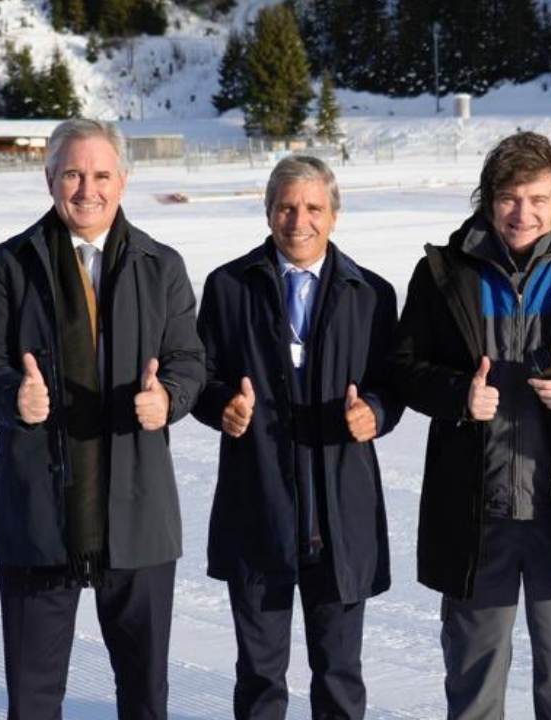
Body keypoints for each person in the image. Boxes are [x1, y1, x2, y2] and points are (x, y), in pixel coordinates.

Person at [390, 131, 551, 720]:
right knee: (476, 675)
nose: (522, 212)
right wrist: (460, 395)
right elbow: (404, 367)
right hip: (478, 514)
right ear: (488, 199)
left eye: (536, 198)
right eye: (508, 197)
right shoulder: (443, 272)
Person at [0, 118, 205, 718]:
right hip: (38, 515)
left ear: (123, 180)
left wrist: (168, 398)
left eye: (100, 174)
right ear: (49, 179)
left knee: (145, 694)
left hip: (138, 511)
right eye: (72, 173)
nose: (86, 189)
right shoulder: (9, 264)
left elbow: (189, 360)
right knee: (35, 696)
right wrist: (13, 395)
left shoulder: (161, 265)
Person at [192, 155, 403, 720]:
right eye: (285, 207)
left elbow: (393, 383)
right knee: (260, 677)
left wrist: (376, 413)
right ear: (267, 213)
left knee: (338, 674)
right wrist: (222, 408)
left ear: (335, 215)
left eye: (313, 207)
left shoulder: (373, 294)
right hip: (257, 506)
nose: (298, 220)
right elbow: (199, 378)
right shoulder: (228, 287)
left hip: (341, 514)